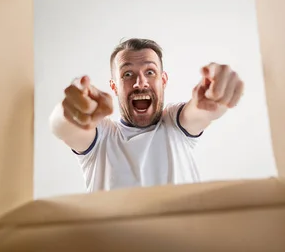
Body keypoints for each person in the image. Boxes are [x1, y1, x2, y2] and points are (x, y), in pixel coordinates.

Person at [48, 38, 244, 192]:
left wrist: (217, 95)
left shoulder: (175, 124)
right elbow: (63, 127)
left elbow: (201, 111)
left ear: (163, 80)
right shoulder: (102, 137)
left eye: (150, 72)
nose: (140, 83)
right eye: (127, 74)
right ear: (114, 86)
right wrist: (71, 110)